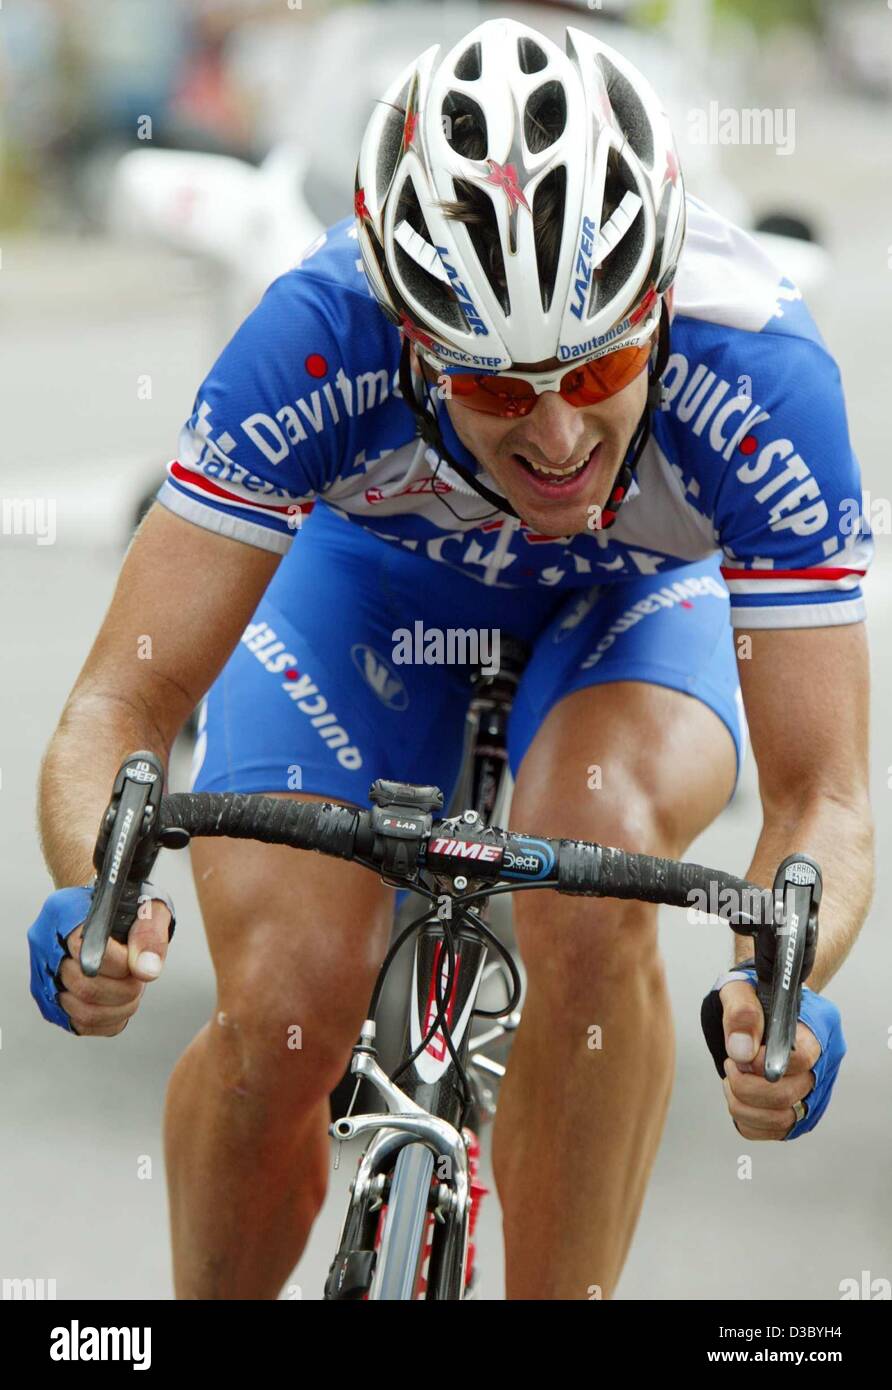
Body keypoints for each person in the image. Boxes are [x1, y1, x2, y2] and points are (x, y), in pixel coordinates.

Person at [31, 18, 872, 1300]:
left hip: (631, 602)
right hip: (369, 585)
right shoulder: (316, 333)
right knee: (288, 996)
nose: (554, 433)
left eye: (596, 365)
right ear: (411, 340)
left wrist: (780, 981)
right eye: (489, 388)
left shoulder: (761, 370)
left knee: (593, 851)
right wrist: (98, 891)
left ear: (657, 309)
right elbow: (125, 699)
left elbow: (823, 793)